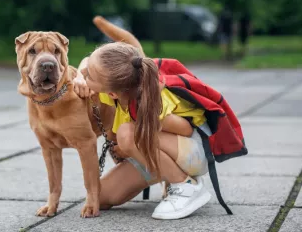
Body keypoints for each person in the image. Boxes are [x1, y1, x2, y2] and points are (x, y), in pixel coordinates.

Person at [72, 42, 212, 220]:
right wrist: (78, 75)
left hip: (195, 151)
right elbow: (86, 61)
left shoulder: (151, 99)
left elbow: (185, 130)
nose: (85, 75)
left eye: (89, 76)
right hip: (152, 151)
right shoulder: (118, 91)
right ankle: (169, 174)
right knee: (100, 197)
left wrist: (137, 137)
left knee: (126, 133)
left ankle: (186, 185)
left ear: (112, 94)